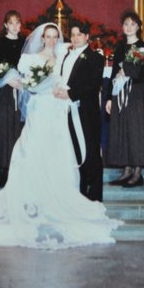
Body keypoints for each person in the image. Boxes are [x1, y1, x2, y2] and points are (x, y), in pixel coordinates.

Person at [0, 23, 121, 249]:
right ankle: (32, 199)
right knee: (34, 150)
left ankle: (65, 196)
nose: (51, 40)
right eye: (48, 36)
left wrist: (63, 92)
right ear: (41, 38)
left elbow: (74, 82)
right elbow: (26, 83)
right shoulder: (30, 58)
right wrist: (32, 86)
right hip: (40, 109)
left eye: (55, 36)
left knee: (60, 152)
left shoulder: (63, 56)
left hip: (59, 110)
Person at [55, 19, 104, 201]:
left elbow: (92, 84)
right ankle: (80, 192)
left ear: (87, 37)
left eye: (79, 35)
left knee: (91, 152)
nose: (75, 38)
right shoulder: (67, 56)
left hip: (86, 112)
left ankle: (95, 195)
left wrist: (70, 94)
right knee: (75, 151)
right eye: (73, 35)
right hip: (68, 110)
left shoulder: (95, 57)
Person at [105, 10, 144, 187]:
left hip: (137, 94)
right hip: (120, 93)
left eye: (132, 24)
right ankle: (126, 170)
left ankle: (137, 172)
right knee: (123, 129)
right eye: (126, 24)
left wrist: (129, 72)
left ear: (138, 26)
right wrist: (109, 98)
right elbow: (113, 74)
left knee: (136, 131)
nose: (129, 27)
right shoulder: (120, 49)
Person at [0, 10, 25, 187]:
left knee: (18, 130)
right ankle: (3, 168)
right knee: (2, 130)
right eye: (11, 23)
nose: (15, 26)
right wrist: (7, 80)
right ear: (6, 25)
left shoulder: (25, 44)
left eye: (17, 23)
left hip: (21, 92)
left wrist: (23, 82)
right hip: (2, 94)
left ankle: (18, 168)